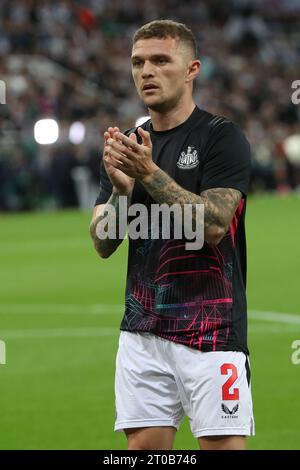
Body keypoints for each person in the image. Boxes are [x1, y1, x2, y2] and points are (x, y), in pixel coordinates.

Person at [90, 20, 254, 451]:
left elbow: (215, 225)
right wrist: (122, 194)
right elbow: (103, 244)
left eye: (161, 60)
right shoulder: (128, 144)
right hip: (142, 333)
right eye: (138, 62)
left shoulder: (222, 137)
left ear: (191, 69)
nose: (147, 71)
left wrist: (149, 174)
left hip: (211, 333)